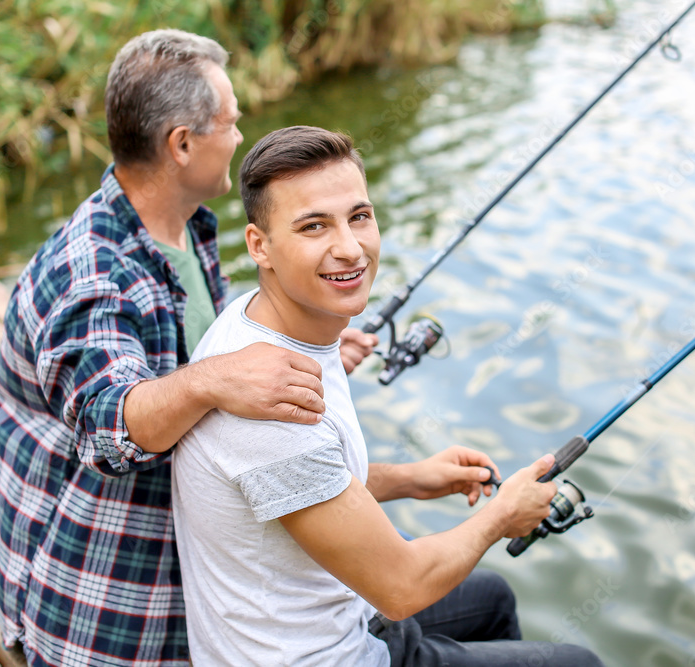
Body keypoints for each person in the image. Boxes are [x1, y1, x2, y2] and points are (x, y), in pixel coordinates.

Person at [0, 31, 376, 667]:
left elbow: (216, 364)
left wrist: (308, 352)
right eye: (231, 120)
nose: (239, 133)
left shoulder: (186, 225)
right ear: (182, 144)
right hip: (109, 606)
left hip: (202, 563)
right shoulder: (91, 272)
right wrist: (213, 380)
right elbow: (106, 425)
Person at [171, 126, 605, 666]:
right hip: (325, 654)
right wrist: (503, 516)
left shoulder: (255, 320)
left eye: (359, 216)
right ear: (261, 246)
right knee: (579, 663)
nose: (350, 248)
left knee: (492, 599)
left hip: (342, 611)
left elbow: (299, 489)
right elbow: (401, 587)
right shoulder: (276, 416)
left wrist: (410, 479)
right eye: (314, 226)